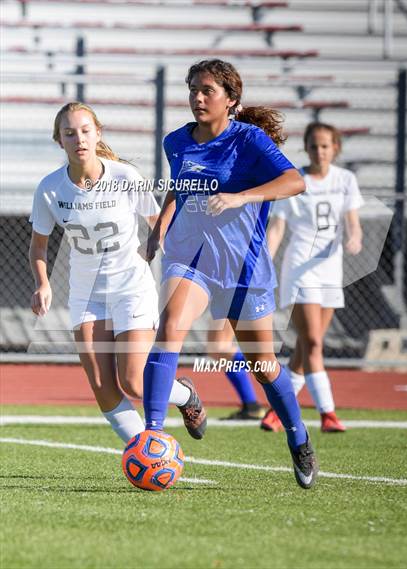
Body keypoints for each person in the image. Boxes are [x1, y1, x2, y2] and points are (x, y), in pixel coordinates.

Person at [143, 59, 318, 489]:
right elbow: (179, 186)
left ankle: (298, 437)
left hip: (244, 268)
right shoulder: (176, 141)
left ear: (231, 100)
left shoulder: (250, 140)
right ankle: (151, 434)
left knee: (263, 365)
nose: (198, 98)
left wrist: (243, 197)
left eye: (207, 91)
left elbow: (295, 181)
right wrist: (161, 226)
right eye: (193, 90)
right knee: (169, 328)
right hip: (191, 259)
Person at [29, 102, 206, 446]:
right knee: (102, 386)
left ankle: (185, 395)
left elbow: (158, 225)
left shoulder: (124, 177)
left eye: (84, 131)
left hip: (131, 287)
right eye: (69, 133)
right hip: (86, 294)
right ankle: (146, 450)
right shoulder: (49, 189)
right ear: (59, 141)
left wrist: (165, 251)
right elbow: (38, 248)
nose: (78, 138)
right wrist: (43, 284)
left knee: (135, 383)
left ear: (97, 134)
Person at [261, 121, 364, 433]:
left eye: (325, 146)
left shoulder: (345, 180)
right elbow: (277, 228)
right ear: (306, 148)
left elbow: (352, 221)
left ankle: (276, 411)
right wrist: (262, 260)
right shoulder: (295, 181)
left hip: (331, 271)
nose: (320, 151)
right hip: (300, 269)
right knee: (315, 342)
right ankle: (328, 414)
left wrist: (354, 237)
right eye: (314, 145)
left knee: (306, 350)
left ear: (335, 148)